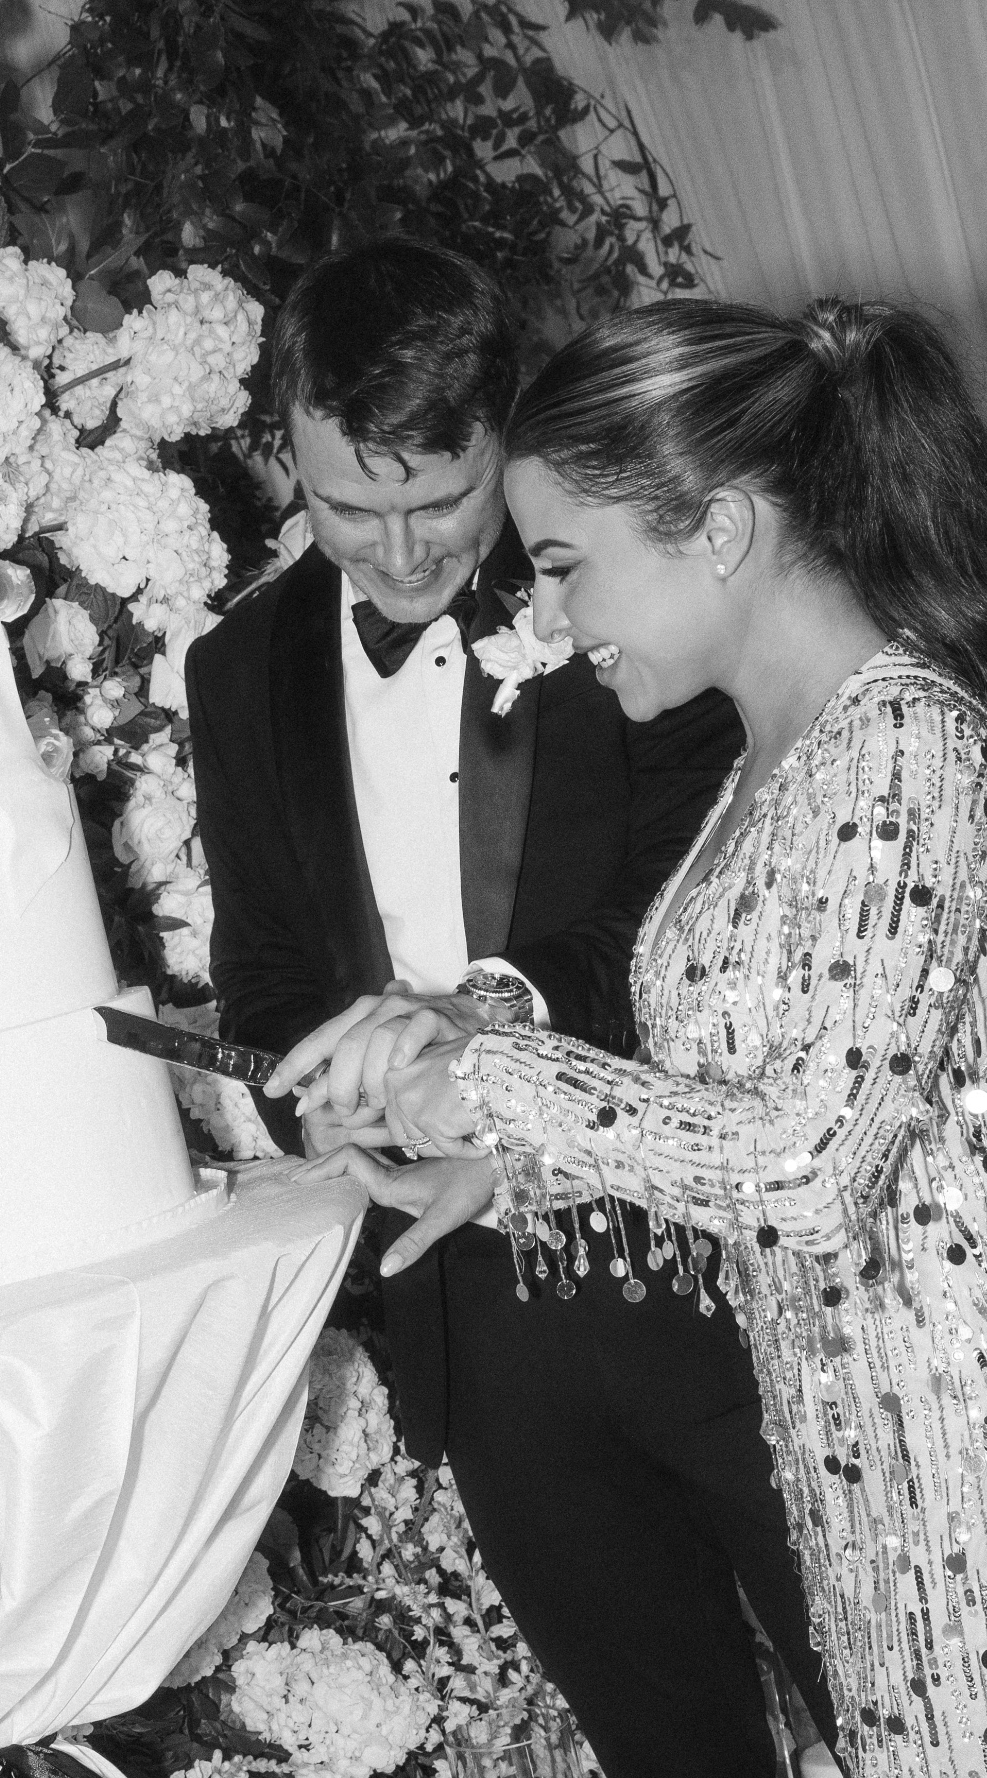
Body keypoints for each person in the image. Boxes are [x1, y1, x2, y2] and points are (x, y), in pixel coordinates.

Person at [279, 293, 987, 1775]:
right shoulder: (765, 760)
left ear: (717, 532)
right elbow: (731, 1110)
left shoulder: (912, 737)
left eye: (562, 566)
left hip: (950, 1447)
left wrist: (500, 1074)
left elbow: (807, 1168)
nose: (544, 620)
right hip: (847, 1455)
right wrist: (503, 1156)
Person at [189, 241, 837, 1778]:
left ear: (507, 436)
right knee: (665, 1743)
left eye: (442, 501)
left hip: (704, 1260)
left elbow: (698, 887)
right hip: (467, 1299)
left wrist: (491, 1031)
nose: (406, 555)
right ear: (285, 445)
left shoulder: (622, 595)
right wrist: (332, 1105)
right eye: (355, 507)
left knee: (900, 1698)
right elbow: (268, 959)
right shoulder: (237, 671)